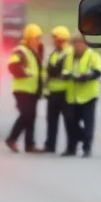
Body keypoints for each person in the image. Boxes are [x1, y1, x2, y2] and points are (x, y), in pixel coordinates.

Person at [5, 23, 44, 153]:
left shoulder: (34, 51)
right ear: (30, 38)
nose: (39, 41)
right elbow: (12, 65)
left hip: (32, 90)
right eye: (37, 38)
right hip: (22, 89)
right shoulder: (21, 50)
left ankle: (29, 144)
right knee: (26, 115)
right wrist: (23, 73)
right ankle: (12, 139)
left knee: (31, 117)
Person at [63, 34, 101, 158]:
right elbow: (64, 69)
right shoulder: (69, 56)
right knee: (70, 122)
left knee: (88, 123)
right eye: (74, 44)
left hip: (88, 95)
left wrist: (85, 77)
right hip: (73, 95)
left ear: (85, 43)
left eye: (79, 43)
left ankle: (87, 148)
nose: (76, 46)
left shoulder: (92, 55)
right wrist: (66, 75)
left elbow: (97, 71)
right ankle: (71, 147)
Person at [42, 25, 73, 154]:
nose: (53, 41)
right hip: (53, 92)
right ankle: (50, 145)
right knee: (51, 121)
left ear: (61, 39)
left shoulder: (69, 53)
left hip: (65, 93)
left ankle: (70, 148)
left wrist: (54, 74)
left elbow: (66, 72)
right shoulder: (54, 53)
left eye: (54, 38)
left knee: (68, 122)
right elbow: (48, 71)